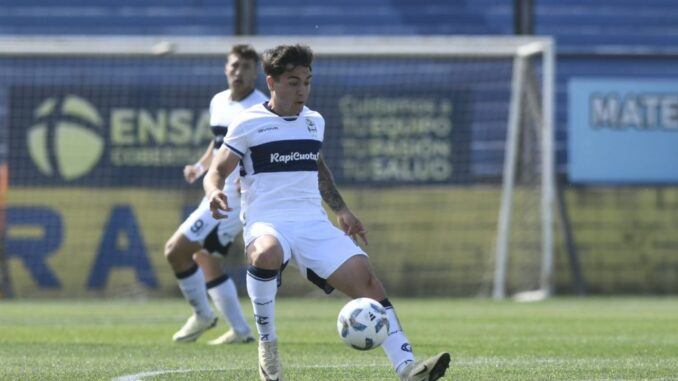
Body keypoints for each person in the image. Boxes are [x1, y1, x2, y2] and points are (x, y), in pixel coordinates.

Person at [203, 44, 450, 381]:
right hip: (267, 223)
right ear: (271, 82)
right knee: (266, 253)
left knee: (366, 277)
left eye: (306, 81)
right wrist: (214, 190)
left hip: (312, 224)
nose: (302, 89)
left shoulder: (314, 122)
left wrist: (343, 210)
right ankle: (267, 347)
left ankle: (409, 368)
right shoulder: (247, 123)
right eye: (293, 81)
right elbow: (216, 170)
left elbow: (318, 170)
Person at [164, 44, 268, 345]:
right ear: (226, 68)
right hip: (215, 192)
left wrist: (251, 179)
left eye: (246, 67)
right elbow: (221, 144)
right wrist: (200, 166)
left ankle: (202, 314)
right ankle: (240, 330)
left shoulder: (260, 108)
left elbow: (262, 151)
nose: (239, 72)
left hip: (235, 200)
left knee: (176, 250)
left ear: (256, 72)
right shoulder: (218, 101)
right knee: (205, 260)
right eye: (234, 65)